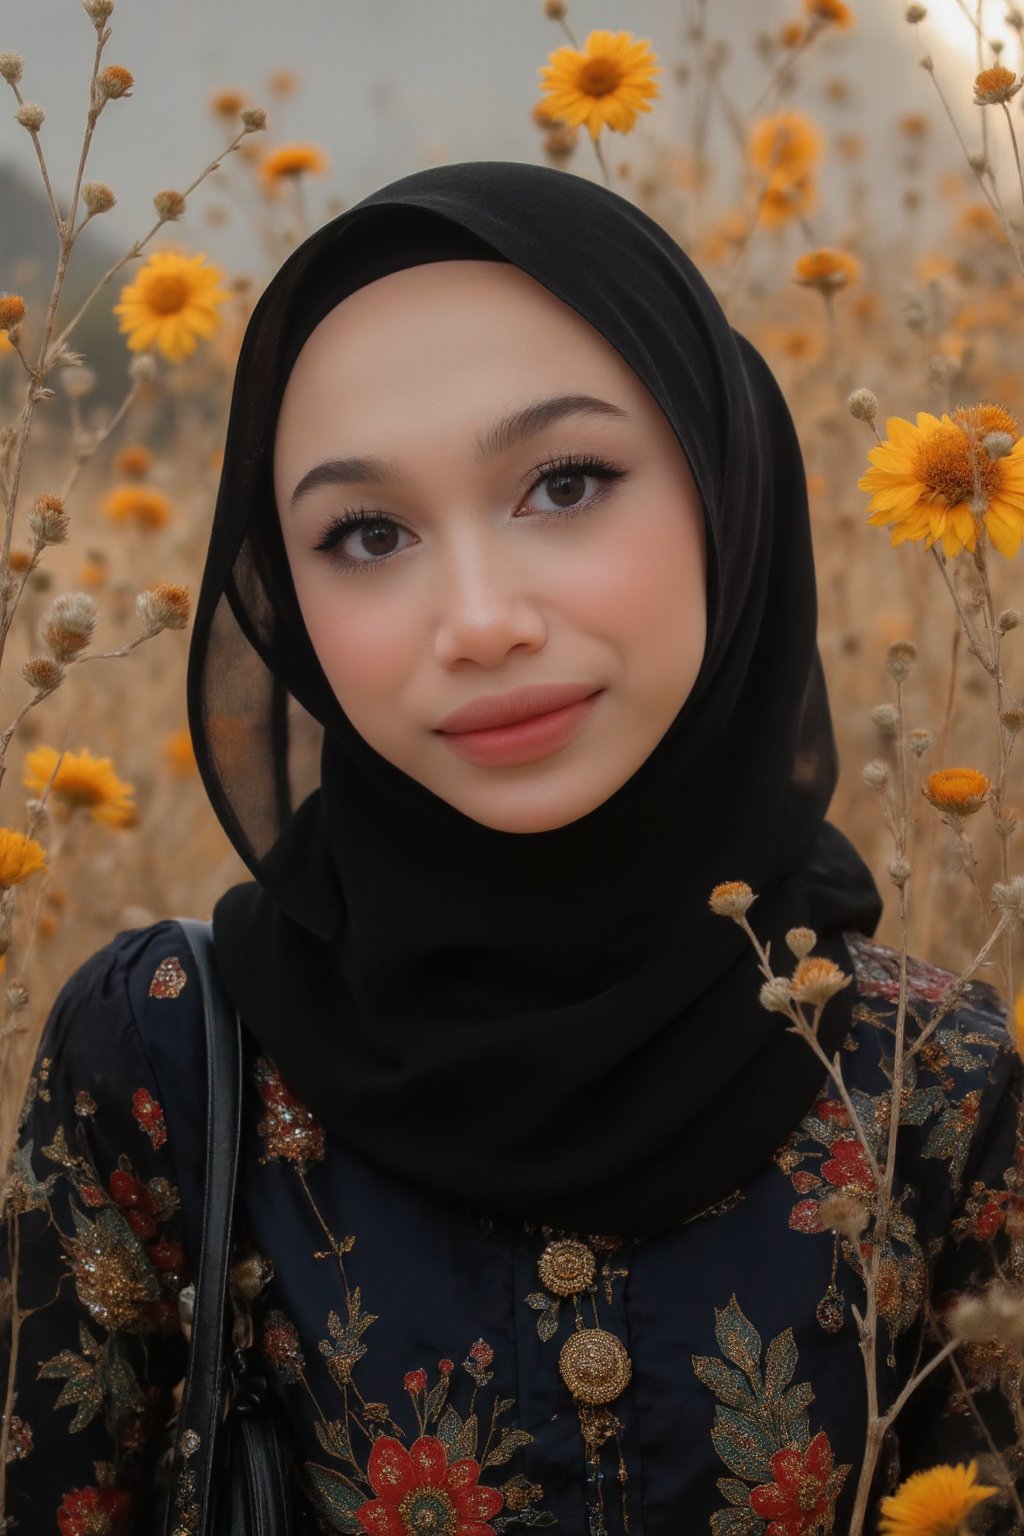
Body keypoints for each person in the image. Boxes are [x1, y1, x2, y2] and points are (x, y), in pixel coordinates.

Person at [1, 160, 1021, 1535]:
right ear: (284, 601)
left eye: (565, 482)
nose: (479, 620)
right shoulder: (166, 1063)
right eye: (367, 533)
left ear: (728, 490)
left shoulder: (928, 1090)